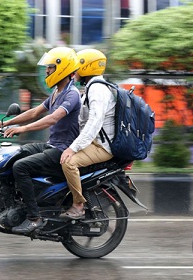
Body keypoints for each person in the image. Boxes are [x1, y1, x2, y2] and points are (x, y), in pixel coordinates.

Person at [0, 47, 81, 233]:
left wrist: (22, 129)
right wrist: (4, 123)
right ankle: (13, 203)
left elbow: (52, 118)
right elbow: (33, 112)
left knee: (21, 167)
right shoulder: (57, 93)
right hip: (51, 145)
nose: (47, 71)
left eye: (50, 67)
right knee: (15, 154)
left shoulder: (72, 94)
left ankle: (34, 217)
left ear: (62, 68)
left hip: (62, 150)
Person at [59, 49, 116, 219]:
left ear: (88, 67)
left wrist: (73, 148)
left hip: (102, 146)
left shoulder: (98, 90)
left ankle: (78, 205)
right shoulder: (92, 88)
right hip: (95, 142)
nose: (75, 71)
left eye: (78, 66)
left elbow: (94, 122)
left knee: (68, 162)